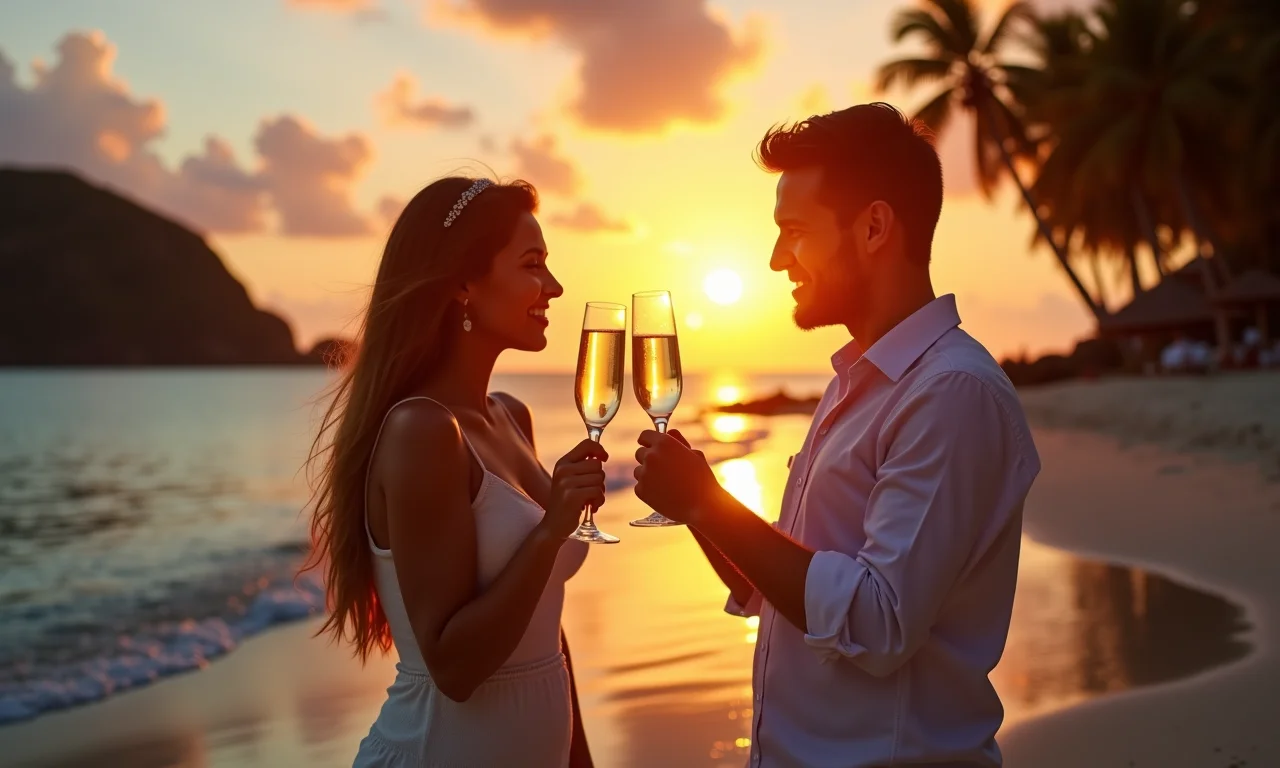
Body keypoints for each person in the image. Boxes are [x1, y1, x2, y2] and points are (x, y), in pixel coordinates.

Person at [633, 104, 1041, 767]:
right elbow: (783, 590)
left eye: (793, 231)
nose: (774, 258)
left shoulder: (951, 394)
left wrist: (710, 502)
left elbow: (877, 623)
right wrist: (695, 511)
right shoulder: (858, 381)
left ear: (874, 226)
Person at [303, 177, 604, 767]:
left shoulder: (510, 417)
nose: (555, 287)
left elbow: (546, 626)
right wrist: (551, 530)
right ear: (464, 283)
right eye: (532, 265)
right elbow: (454, 668)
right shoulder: (422, 432)